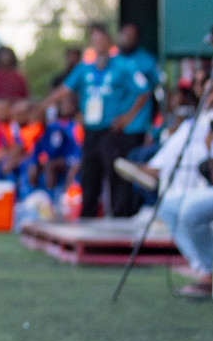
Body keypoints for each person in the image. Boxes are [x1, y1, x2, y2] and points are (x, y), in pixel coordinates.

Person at [147, 76, 213, 297]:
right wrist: (210, 148)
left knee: (190, 212)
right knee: (167, 204)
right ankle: (210, 268)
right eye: (212, 91)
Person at [42, 24, 147, 218]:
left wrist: (128, 117)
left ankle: (119, 218)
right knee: (89, 174)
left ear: (109, 42)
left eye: (102, 39)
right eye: (95, 40)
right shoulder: (84, 69)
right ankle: (87, 216)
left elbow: (143, 92)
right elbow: (65, 89)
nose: (98, 44)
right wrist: (43, 105)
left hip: (112, 131)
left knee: (116, 175)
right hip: (90, 130)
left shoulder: (123, 67)